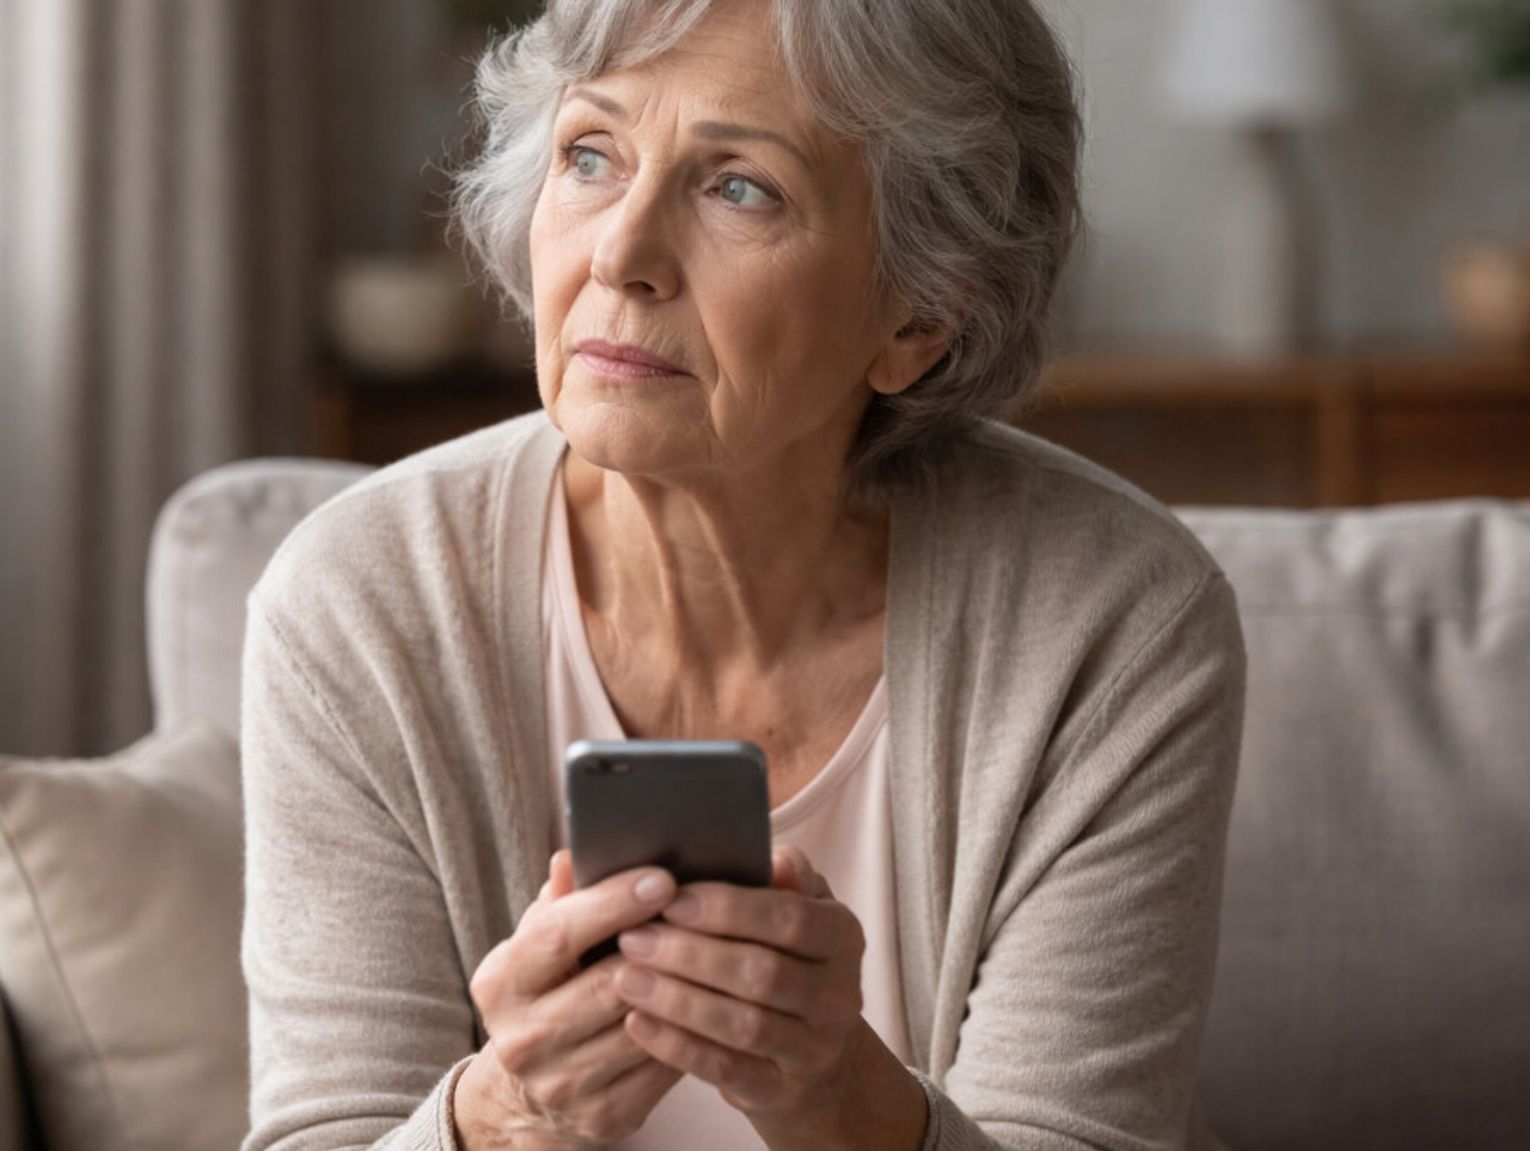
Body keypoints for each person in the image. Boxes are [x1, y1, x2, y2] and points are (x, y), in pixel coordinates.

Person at [239, 1, 1247, 1149]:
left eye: (739, 189)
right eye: (590, 156)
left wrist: (840, 1101)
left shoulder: (1111, 623)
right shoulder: (366, 599)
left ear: (921, 312)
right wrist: (508, 1116)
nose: (620, 251)